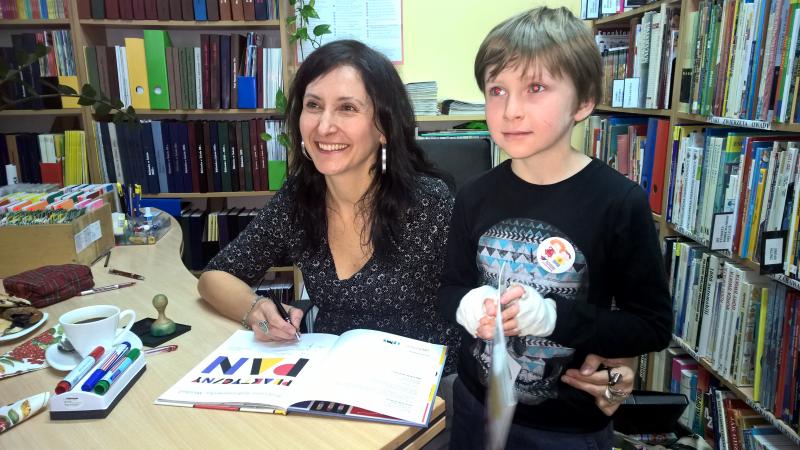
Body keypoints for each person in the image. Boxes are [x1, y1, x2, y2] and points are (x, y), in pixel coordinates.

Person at [197, 38, 638, 416]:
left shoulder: (430, 203)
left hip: (431, 397)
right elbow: (215, 276)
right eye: (313, 106)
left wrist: (618, 362)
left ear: (383, 126)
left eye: (347, 108)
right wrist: (256, 308)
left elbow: (518, 295)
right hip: (332, 389)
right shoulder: (299, 198)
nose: (324, 125)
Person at [438, 6, 672, 450]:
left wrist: (552, 317)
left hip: (566, 429)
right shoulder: (473, 194)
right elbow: (450, 288)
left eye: (536, 88)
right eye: (497, 90)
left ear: (583, 101)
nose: (511, 110)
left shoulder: (618, 202)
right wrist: (467, 305)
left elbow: (651, 325)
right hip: (474, 407)